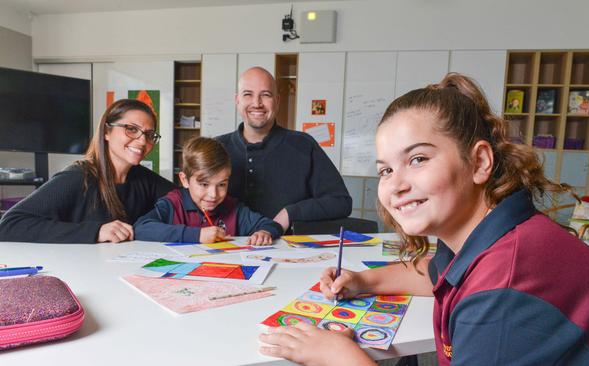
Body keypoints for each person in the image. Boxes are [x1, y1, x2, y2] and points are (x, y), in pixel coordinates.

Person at [258, 73, 589, 365]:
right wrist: (362, 280)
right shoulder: (492, 237)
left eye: (418, 159)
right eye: (385, 171)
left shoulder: (504, 288)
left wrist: (340, 357)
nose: (396, 186)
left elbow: (485, 292)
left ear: (479, 162)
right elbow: (434, 272)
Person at [0, 99, 175, 244]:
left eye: (149, 134)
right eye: (131, 129)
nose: (142, 141)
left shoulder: (144, 178)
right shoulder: (78, 176)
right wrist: (97, 231)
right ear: (107, 131)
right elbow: (9, 225)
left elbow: (186, 200)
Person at [217, 67, 351, 232]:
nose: (257, 103)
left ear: (278, 101)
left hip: (288, 254)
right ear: (237, 100)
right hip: (225, 252)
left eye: (266, 95)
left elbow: (341, 201)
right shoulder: (216, 148)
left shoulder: (304, 145)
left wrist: (290, 213)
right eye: (248, 94)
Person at [134, 137, 283, 245]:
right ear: (185, 180)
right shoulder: (173, 204)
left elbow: (270, 224)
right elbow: (141, 228)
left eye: (222, 184)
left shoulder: (233, 207)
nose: (213, 195)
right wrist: (196, 235)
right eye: (204, 184)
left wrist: (265, 232)